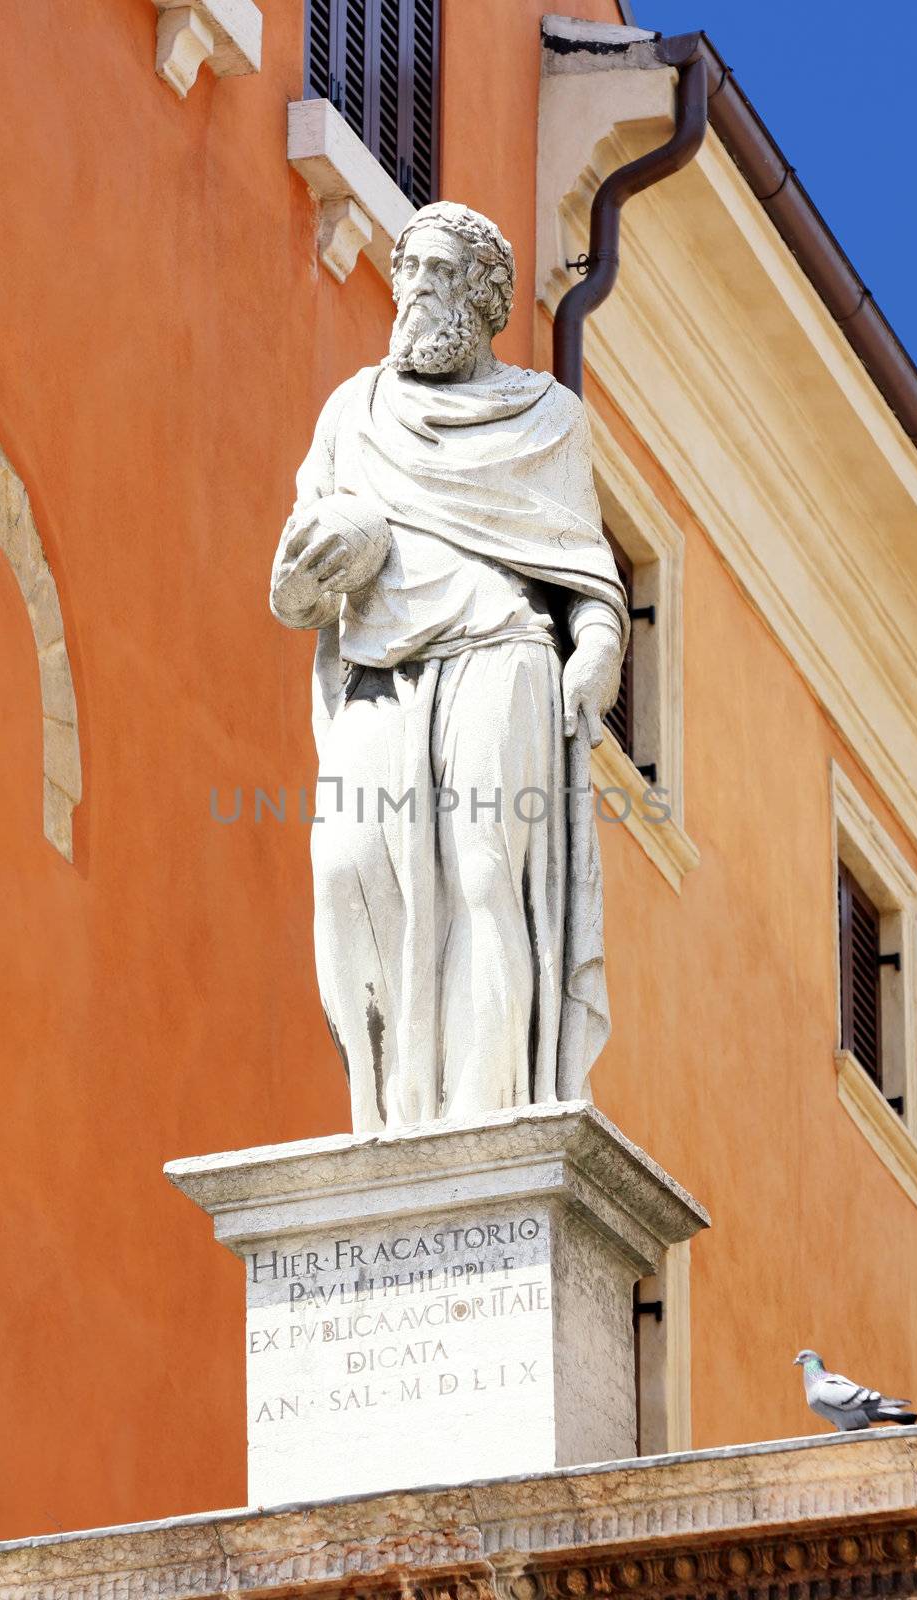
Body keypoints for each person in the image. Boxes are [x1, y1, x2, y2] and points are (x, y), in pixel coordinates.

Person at [270, 202, 627, 1132]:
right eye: (409, 274)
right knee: (345, 865)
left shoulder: (547, 419)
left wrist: (595, 651)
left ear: (484, 295)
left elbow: (587, 575)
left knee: (481, 871)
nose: (415, 293)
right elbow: (295, 571)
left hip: (501, 648)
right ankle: (389, 1113)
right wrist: (313, 573)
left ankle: (483, 1117)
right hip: (379, 660)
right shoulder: (355, 410)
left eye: (437, 274)